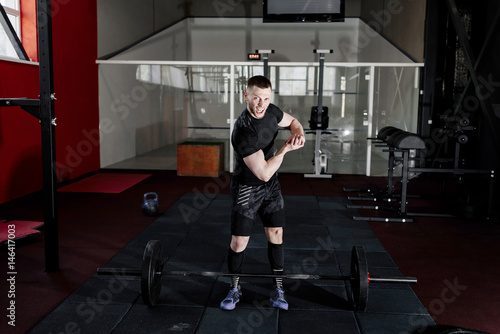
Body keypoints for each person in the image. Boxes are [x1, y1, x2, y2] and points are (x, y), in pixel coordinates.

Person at [220, 75, 305, 311]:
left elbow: (294, 121)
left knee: (276, 234)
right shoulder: (243, 131)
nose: (261, 104)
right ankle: (234, 289)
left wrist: (298, 134)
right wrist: (286, 148)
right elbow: (264, 173)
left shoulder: (271, 111)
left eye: (266, 99)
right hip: (248, 186)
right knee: (239, 242)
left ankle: (278, 288)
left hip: (271, 187)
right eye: (256, 98)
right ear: (246, 95)